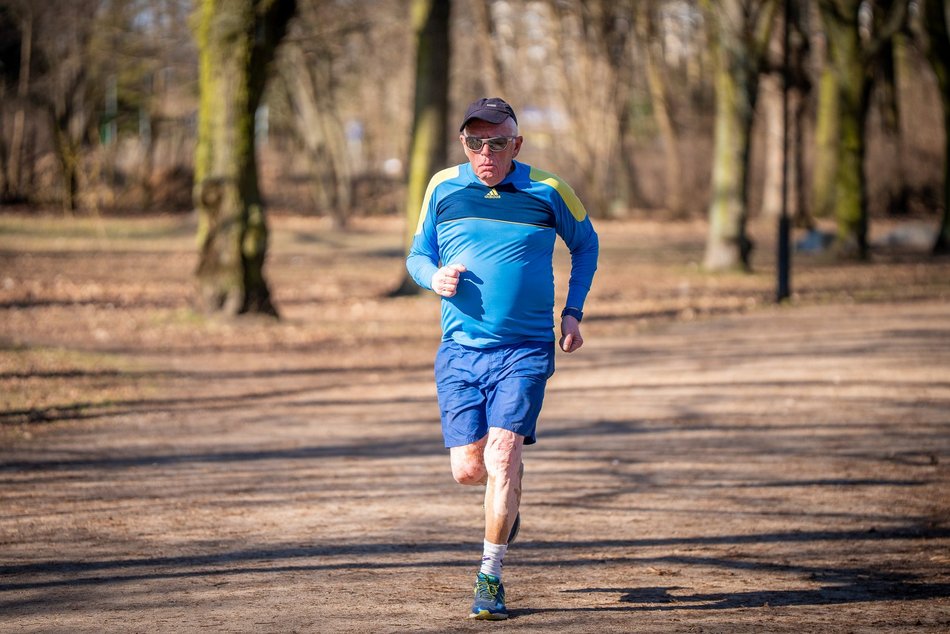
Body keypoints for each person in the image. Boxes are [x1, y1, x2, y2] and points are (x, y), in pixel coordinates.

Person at [406, 97, 599, 620]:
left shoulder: (549, 190)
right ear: (463, 143)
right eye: (474, 141)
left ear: (517, 144)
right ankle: (507, 491)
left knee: (502, 457)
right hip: (460, 352)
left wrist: (573, 311)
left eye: (495, 142)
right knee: (469, 470)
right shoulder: (442, 187)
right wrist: (432, 278)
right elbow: (417, 253)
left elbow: (587, 243)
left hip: (526, 349)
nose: (484, 152)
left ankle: (489, 578)